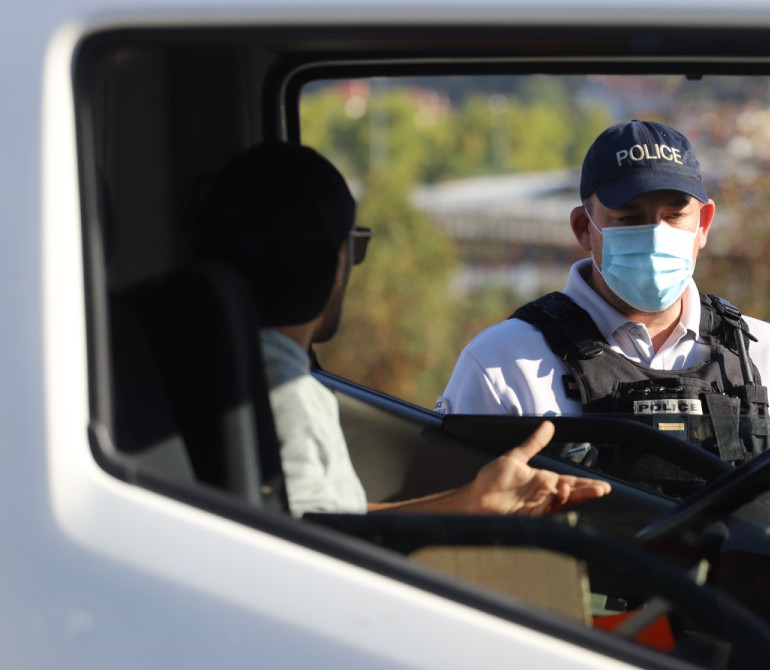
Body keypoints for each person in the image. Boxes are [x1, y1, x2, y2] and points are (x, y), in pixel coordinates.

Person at [438, 119, 770, 499]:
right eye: (629, 218)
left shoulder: (763, 353)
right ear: (584, 228)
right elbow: (447, 519)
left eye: (675, 215)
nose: (656, 235)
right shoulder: (501, 365)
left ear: (703, 225)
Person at [196, 141, 611, 519]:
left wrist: (470, 503)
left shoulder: (231, 373)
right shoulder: (282, 393)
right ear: (339, 262)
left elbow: (330, 522)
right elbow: (310, 547)